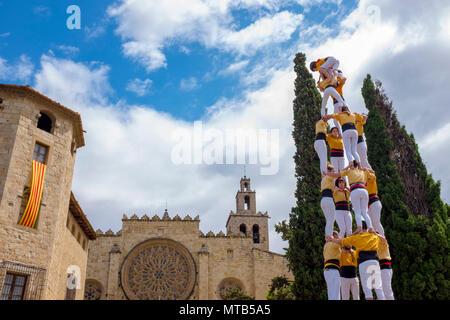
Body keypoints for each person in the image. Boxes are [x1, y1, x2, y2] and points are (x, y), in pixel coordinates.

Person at [326, 221, 386, 300]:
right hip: (374, 262)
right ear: (367, 227)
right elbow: (384, 240)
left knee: (367, 290)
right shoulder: (374, 236)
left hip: (364, 262)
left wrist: (332, 240)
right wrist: (375, 233)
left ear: (360, 227)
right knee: (378, 288)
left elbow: (343, 241)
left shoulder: (358, 237)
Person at [324, 160, 375, 233]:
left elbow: (337, 174)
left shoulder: (349, 171)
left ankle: (359, 227)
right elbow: (373, 172)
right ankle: (370, 227)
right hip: (364, 190)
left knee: (357, 211)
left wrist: (327, 173)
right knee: (364, 212)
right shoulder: (363, 171)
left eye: (350, 165)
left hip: (355, 190)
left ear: (352, 166)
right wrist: (363, 168)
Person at [323, 231, 341, 300]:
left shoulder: (326, 245)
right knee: (336, 293)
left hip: (327, 271)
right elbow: (342, 242)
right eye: (338, 236)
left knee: (331, 293)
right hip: (333, 270)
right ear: (335, 236)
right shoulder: (333, 244)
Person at [367, 170, 385, 236]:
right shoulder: (361, 182)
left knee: (376, 223)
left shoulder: (371, 178)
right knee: (370, 225)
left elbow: (373, 175)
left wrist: (366, 170)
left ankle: (383, 240)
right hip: (367, 203)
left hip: (374, 201)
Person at [321, 164, 336, 236]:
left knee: (328, 221)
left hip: (323, 200)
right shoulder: (329, 176)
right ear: (329, 171)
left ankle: (328, 236)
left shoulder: (324, 178)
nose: (334, 172)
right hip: (328, 199)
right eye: (333, 171)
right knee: (331, 220)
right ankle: (329, 237)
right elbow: (337, 175)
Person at [377, 235, 394, 300]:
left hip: (385, 268)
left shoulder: (383, 243)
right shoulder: (375, 246)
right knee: (381, 291)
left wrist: (375, 233)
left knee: (387, 290)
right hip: (379, 269)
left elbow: (383, 238)